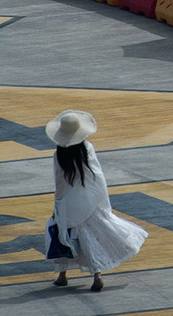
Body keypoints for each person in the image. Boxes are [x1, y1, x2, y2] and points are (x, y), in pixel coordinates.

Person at [46, 110, 147, 293]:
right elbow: (97, 176)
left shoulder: (59, 155)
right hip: (89, 200)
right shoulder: (87, 149)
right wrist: (103, 203)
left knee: (64, 236)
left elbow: (59, 183)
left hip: (70, 203)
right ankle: (97, 275)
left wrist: (58, 205)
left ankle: (62, 275)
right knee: (90, 239)